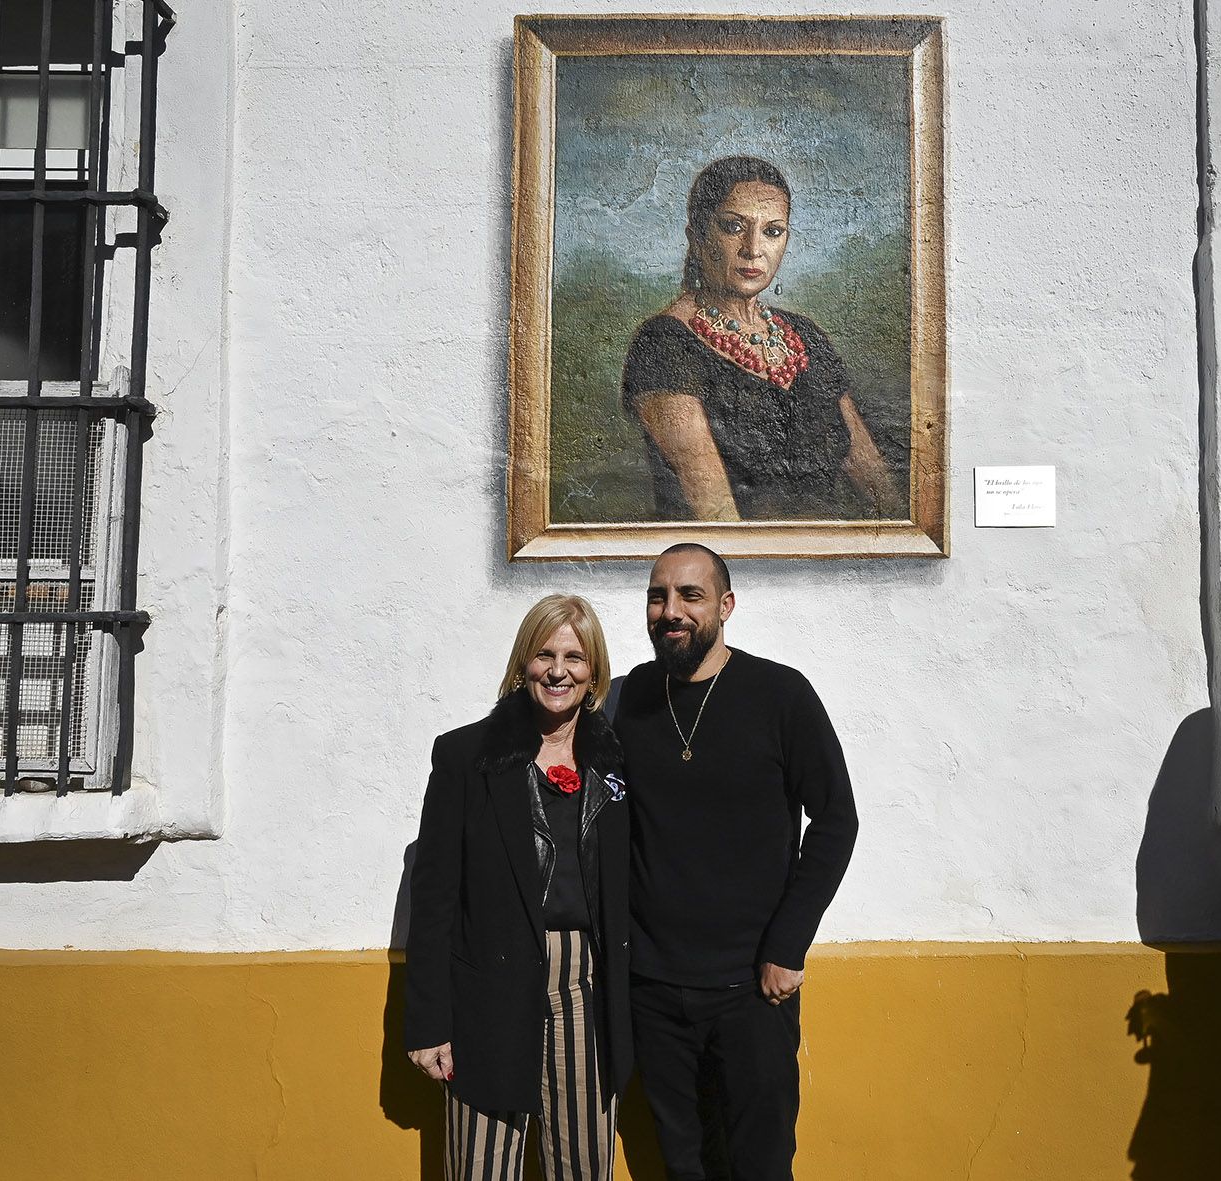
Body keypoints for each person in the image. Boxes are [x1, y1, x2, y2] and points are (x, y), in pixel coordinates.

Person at [614, 543, 858, 1180]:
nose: (671, 611)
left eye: (690, 596)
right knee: (681, 1165)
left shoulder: (780, 694)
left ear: (725, 606)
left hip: (753, 989)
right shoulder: (629, 699)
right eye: (658, 595)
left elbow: (835, 820)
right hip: (655, 992)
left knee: (760, 1165)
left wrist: (789, 944)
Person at [404, 594, 633, 1181]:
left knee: (583, 1167)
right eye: (545, 655)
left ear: (594, 672)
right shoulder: (465, 756)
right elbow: (433, 899)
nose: (559, 671)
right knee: (482, 1167)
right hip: (488, 993)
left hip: (585, 991)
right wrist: (429, 1023)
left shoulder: (618, 763)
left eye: (576, 658)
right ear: (522, 664)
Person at [621, 155, 897, 522]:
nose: (753, 248)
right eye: (734, 227)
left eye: (772, 231)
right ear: (698, 237)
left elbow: (879, 487)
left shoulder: (806, 337)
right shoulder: (664, 343)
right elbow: (713, 513)